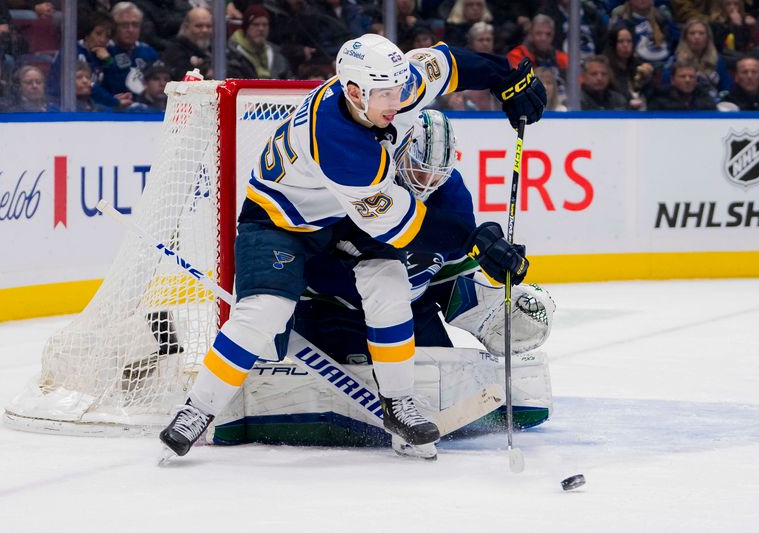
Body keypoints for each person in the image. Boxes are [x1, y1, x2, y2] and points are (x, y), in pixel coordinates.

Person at [159, 34, 546, 460]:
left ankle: (399, 404)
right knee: (264, 310)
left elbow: (451, 63)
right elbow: (402, 227)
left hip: (344, 214)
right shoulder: (338, 142)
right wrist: (476, 242)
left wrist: (507, 78)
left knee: (390, 285)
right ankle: (197, 410)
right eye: (384, 95)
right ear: (354, 91)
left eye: (399, 91)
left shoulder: (396, 85)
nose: (396, 103)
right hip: (282, 221)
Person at [294, 109, 556, 367]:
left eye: (438, 173)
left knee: (444, 381)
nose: (428, 182)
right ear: (400, 154)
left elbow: (449, 267)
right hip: (333, 308)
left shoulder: (452, 193)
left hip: (413, 308)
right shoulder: (366, 183)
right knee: (361, 389)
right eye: (419, 170)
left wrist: (489, 303)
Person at [102, 2, 159, 102]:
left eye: (135, 25)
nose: (130, 30)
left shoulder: (149, 52)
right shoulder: (104, 50)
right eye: (124, 25)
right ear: (114, 27)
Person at [663, 18, 733, 99]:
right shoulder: (675, 60)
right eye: (692, 33)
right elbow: (666, 86)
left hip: (713, 106)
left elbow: (726, 88)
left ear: (708, 38)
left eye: (701, 33)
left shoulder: (717, 60)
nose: (696, 37)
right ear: (685, 38)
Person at [507, 14, 569, 98]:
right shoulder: (517, 55)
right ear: (530, 34)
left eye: (548, 34)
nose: (543, 38)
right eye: (539, 33)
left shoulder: (561, 58)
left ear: (553, 35)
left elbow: (576, 83)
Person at [227, 4, 292, 80]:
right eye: (256, 24)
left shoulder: (277, 55)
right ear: (246, 28)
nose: (261, 29)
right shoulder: (232, 55)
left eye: (265, 25)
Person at [603, 23, 654, 110]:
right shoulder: (605, 67)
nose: (625, 45)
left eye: (629, 41)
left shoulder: (638, 66)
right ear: (613, 43)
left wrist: (648, 79)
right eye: (620, 41)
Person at [162, 6, 213, 81]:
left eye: (208, 26)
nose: (205, 30)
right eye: (199, 26)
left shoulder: (218, 50)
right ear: (186, 27)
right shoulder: (175, 52)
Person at [648, 60, 718, 110]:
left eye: (691, 76)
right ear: (672, 80)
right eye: (682, 76)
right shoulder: (660, 98)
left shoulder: (705, 98)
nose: (687, 80)